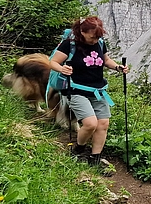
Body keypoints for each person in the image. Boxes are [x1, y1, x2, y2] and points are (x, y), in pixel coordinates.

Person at [50, 16, 129, 166]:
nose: (95, 40)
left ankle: (95, 158)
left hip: (97, 90)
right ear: (82, 31)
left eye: (98, 37)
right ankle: (79, 148)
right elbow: (53, 62)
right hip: (76, 89)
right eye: (92, 37)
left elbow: (106, 60)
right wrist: (62, 69)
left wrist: (118, 67)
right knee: (90, 123)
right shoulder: (69, 45)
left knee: (103, 123)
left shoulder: (99, 43)